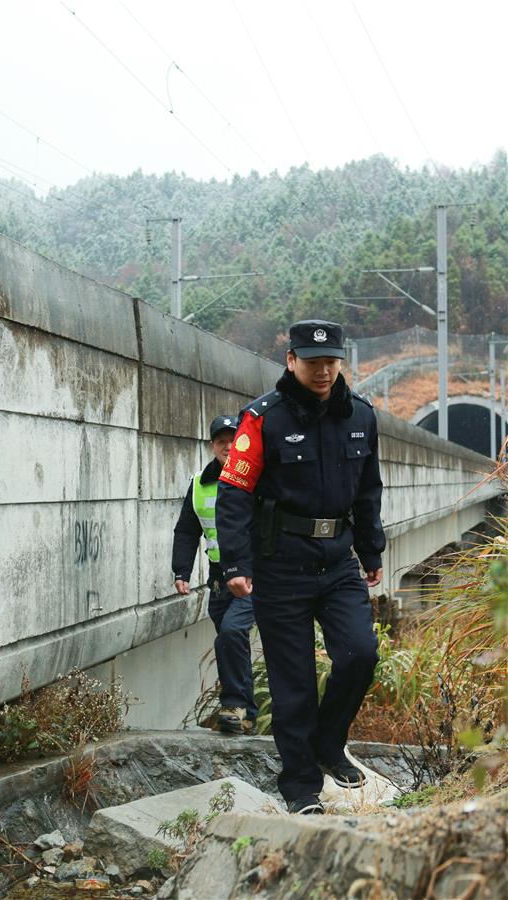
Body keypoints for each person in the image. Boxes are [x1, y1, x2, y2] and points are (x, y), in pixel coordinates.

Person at [216, 320, 385, 814]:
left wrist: (371, 552)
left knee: (360, 654)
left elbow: (368, 489)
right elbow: (234, 493)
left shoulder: (360, 416)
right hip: (279, 565)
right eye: (313, 362)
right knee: (294, 683)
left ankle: (329, 744)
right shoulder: (261, 419)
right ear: (291, 360)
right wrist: (236, 565)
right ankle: (301, 788)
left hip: (337, 562)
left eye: (331, 361)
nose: (323, 370)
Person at [172, 415, 258, 735]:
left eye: (233, 439)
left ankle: (234, 703)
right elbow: (186, 529)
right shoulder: (199, 483)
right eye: (220, 440)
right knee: (230, 641)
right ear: (212, 445)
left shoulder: (256, 477)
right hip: (219, 579)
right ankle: (245, 712)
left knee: (232, 633)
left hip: (251, 575)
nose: (227, 445)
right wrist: (181, 570)